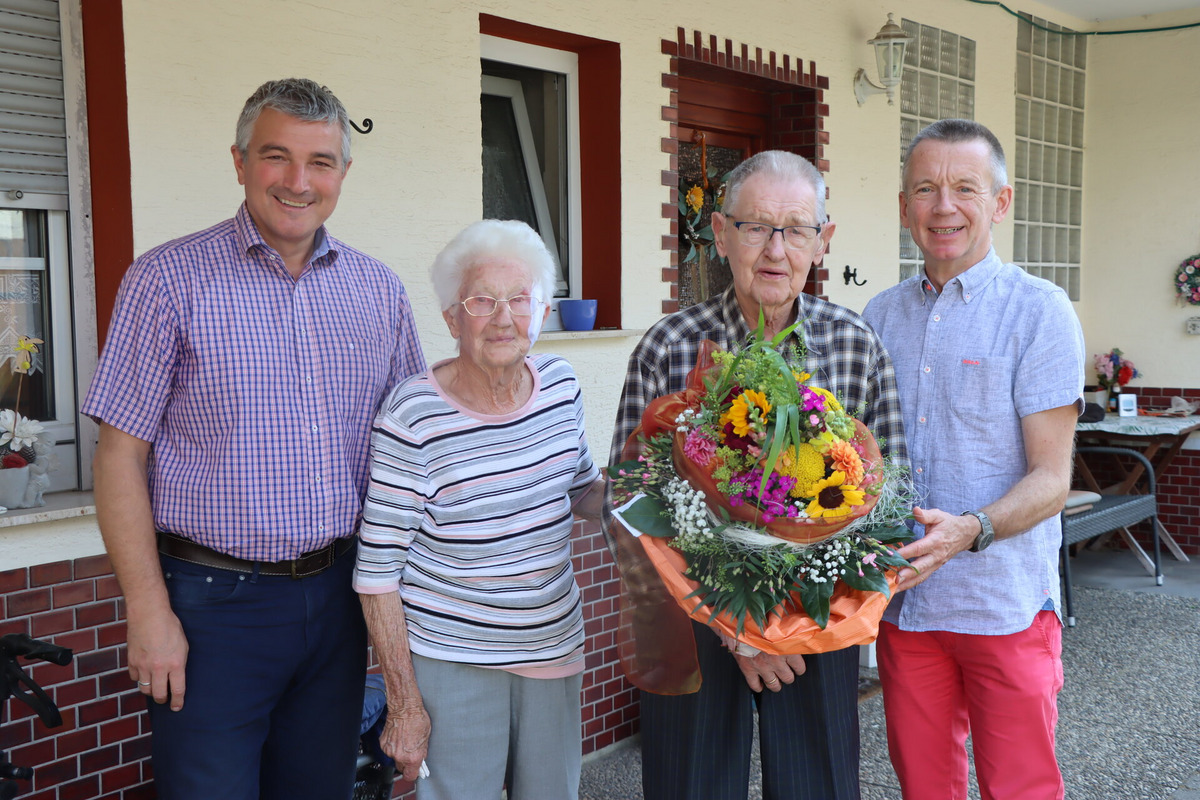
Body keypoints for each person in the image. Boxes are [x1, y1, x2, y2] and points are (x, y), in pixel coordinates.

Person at [83, 78, 425, 799]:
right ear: (240, 162)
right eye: (277, 156)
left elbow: (416, 452)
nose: (299, 182)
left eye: (321, 161)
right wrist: (147, 611)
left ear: (343, 174)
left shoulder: (380, 292)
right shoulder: (165, 281)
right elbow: (120, 455)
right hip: (211, 609)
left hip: (339, 601)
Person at [610, 150, 907, 800]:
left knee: (817, 786)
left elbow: (889, 507)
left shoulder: (856, 345)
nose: (776, 249)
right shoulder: (669, 345)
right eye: (756, 227)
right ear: (721, 234)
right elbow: (627, 499)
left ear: (822, 241)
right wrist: (737, 629)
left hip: (818, 624)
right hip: (689, 623)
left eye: (796, 228)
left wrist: (803, 618)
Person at [862, 118, 1085, 799]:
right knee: (923, 789)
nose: (943, 206)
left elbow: (1052, 478)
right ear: (903, 207)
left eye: (965, 187)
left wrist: (971, 529)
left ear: (1000, 201)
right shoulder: (879, 316)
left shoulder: (1039, 313)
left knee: (1019, 788)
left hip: (1004, 606)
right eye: (925, 189)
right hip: (909, 609)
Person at [353, 219, 606, 798]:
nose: (502, 316)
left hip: (551, 645)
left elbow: (582, 490)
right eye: (481, 300)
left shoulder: (562, 386)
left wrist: (671, 492)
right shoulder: (413, 415)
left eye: (519, 298)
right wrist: (404, 703)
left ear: (542, 312)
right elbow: (376, 576)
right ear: (450, 318)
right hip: (451, 657)